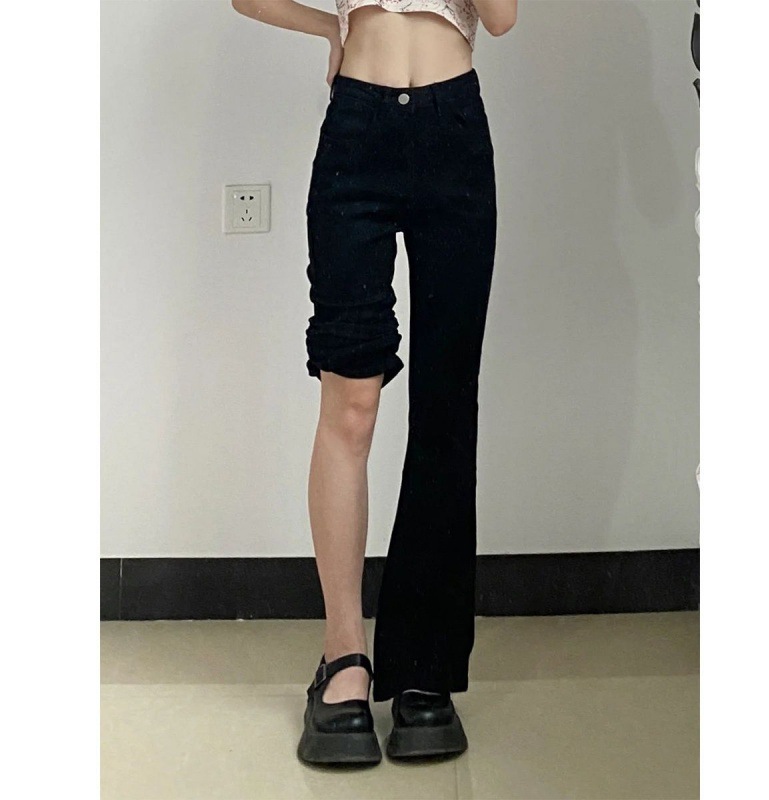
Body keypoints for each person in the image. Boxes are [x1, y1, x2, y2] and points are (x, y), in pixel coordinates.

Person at [231, 0, 517, 765]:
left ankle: (425, 670)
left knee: (446, 406)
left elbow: (502, 17)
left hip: (454, 127)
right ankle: (346, 657)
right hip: (357, 130)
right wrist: (329, 28)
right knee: (351, 402)